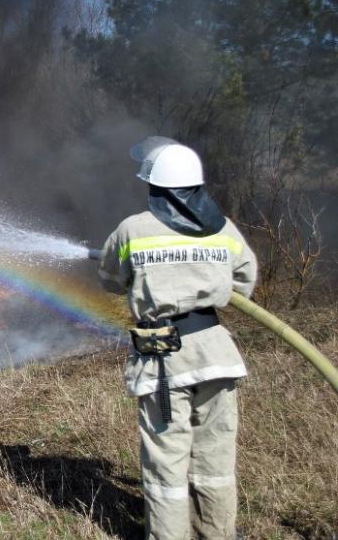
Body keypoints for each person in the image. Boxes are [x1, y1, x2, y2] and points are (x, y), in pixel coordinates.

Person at [97, 137, 257, 540]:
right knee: (216, 459)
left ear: (155, 188)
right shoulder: (224, 229)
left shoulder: (133, 229)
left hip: (165, 361)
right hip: (217, 356)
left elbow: (110, 280)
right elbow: (245, 281)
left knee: (166, 467)